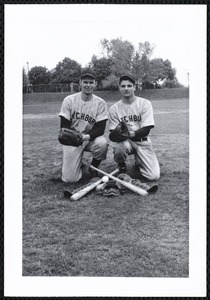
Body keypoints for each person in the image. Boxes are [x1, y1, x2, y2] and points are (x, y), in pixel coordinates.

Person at [59, 68, 108, 182]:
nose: (88, 85)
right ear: (80, 82)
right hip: (72, 139)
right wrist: (74, 138)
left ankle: (93, 167)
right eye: (85, 82)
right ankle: (78, 163)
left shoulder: (100, 103)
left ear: (95, 84)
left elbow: (100, 129)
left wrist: (85, 137)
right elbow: (64, 126)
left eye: (91, 82)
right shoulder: (69, 100)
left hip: (90, 138)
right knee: (70, 179)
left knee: (102, 144)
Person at [109, 74, 160, 181]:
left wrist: (130, 133)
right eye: (123, 86)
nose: (126, 88)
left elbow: (147, 129)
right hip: (126, 142)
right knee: (119, 147)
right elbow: (112, 135)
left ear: (134, 87)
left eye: (129, 85)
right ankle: (122, 166)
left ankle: (139, 162)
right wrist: (116, 133)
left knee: (153, 176)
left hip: (143, 141)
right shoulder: (114, 108)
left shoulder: (144, 103)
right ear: (119, 88)